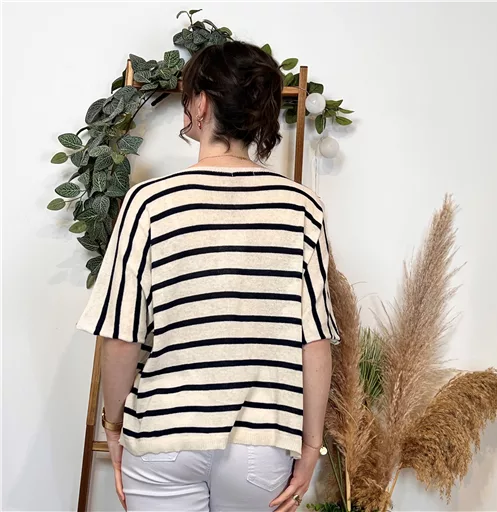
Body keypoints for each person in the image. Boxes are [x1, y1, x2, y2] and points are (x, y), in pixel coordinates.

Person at [77, 40, 341, 512]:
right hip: (261, 445)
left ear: (201, 104)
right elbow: (315, 341)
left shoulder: (149, 203)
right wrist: (310, 446)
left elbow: (121, 337)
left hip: (164, 434)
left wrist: (113, 426)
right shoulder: (302, 209)